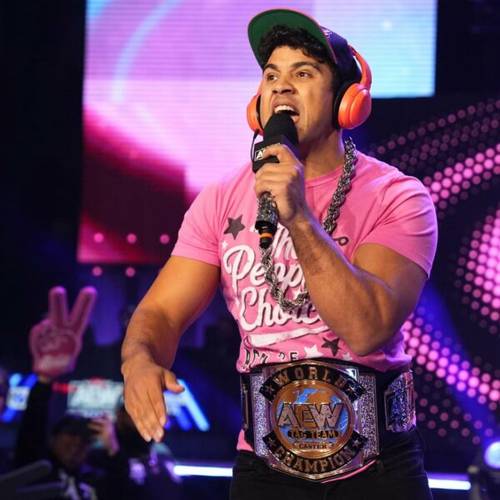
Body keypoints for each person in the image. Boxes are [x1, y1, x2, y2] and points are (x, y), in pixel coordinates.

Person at [121, 8, 438, 500]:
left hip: (377, 471)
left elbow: (368, 328)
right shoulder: (221, 198)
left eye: (304, 74)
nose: (282, 87)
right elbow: (161, 312)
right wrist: (139, 361)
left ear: (347, 101)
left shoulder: (398, 197)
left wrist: (298, 215)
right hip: (265, 471)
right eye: (272, 75)